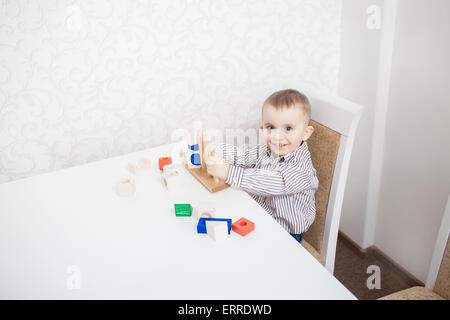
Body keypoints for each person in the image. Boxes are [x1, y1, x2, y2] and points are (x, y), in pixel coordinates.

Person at [205, 89, 319, 244]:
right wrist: (214, 149)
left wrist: (229, 172)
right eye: (271, 127)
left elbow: (271, 182)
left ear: (306, 133)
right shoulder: (268, 149)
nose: (277, 136)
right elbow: (242, 155)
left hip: (285, 233)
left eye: (288, 128)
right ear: (263, 129)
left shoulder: (300, 169)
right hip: (261, 215)